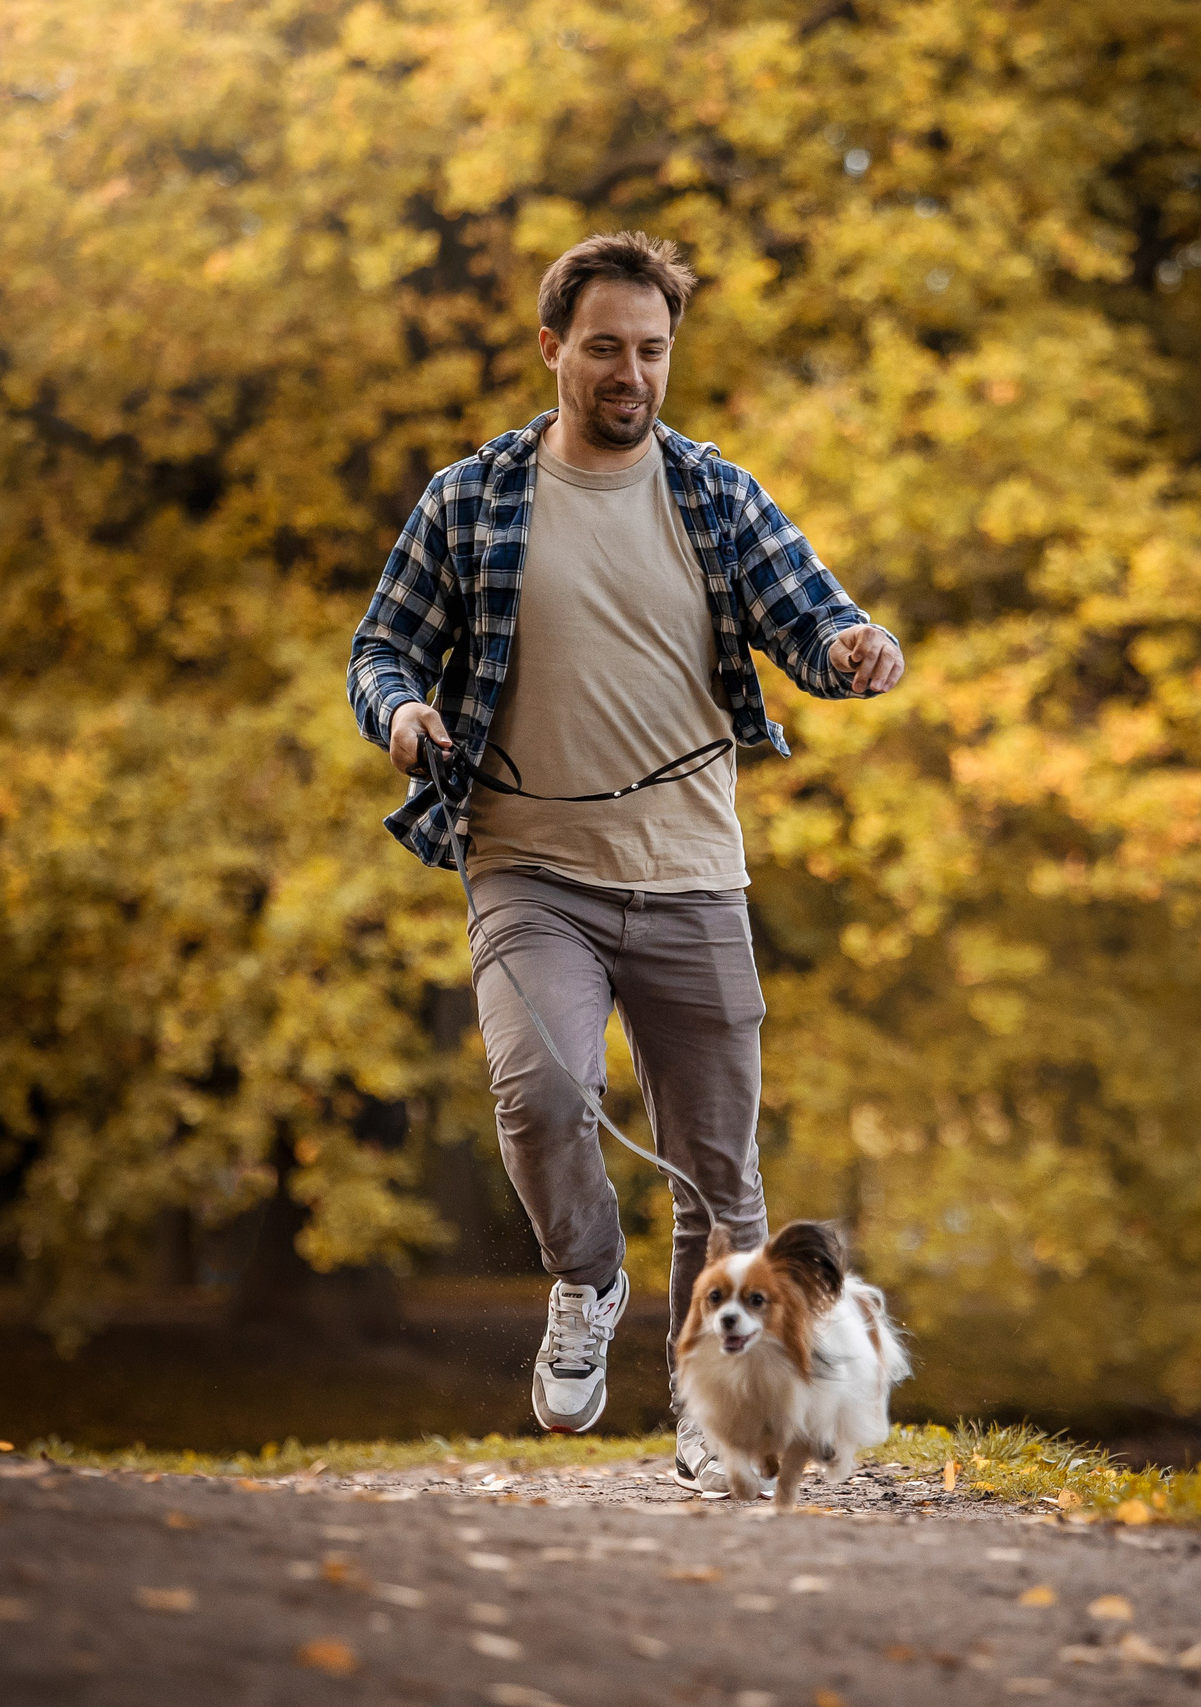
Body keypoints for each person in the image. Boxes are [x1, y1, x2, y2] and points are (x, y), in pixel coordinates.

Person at [345, 230, 903, 1493]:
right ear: (553, 349)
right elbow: (381, 651)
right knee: (539, 1089)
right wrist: (400, 714)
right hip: (529, 868)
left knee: (723, 1177)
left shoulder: (713, 495)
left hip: (694, 872)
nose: (631, 374)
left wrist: (859, 647)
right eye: (605, 349)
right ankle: (583, 1281)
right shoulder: (472, 498)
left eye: (652, 351)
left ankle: (713, 1412)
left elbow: (813, 618)